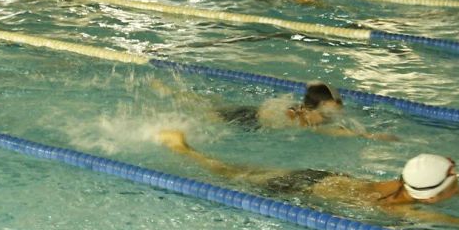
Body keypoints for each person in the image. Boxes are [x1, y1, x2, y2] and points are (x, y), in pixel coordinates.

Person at [156, 131, 459, 230]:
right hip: (298, 188)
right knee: (227, 173)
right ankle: (183, 151)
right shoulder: (409, 213)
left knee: (238, 168)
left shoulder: (409, 188)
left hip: (320, 178)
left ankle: (186, 149)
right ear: (431, 198)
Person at [160, 79, 393, 139]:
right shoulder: (301, 117)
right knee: (201, 113)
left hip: (252, 116)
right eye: (335, 105)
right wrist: (366, 135)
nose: (339, 109)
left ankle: (175, 93)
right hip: (243, 119)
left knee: (212, 103)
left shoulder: (314, 114)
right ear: (316, 107)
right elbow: (328, 132)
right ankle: (170, 93)